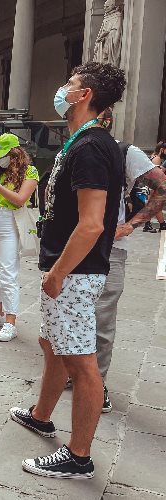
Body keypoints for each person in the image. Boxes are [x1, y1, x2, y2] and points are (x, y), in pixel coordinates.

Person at [9, 62, 126, 480]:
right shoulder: (78, 142)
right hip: (68, 269)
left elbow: (92, 222)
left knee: (80, 360)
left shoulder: (92, 146)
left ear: (86, 95)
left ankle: (78, 456)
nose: (63, 89)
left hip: (75, 273)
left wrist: (58, 272)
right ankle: (42, 416)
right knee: (52, 343)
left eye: (71, 85)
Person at [92, 109, 166, 412]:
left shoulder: (125, 152)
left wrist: (132, 224)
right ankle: (77, 374)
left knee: (101, 319)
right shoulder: (72, 148)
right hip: (73, 246)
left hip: (109, 249)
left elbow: (162, 185)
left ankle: (96, 385)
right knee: (75, 317)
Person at [0, 133, 39, 342]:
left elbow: (20, 200)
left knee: (7, 273)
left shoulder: (30, 172)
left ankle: (11, 323)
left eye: (4, 155)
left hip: (9, 224)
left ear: (15, 153)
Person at [142, 140, 166, 233]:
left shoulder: (153, 156)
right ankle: (161, 224)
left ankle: (149, 224)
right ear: (162, 149)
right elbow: (156, 174)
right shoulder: (157, 159)